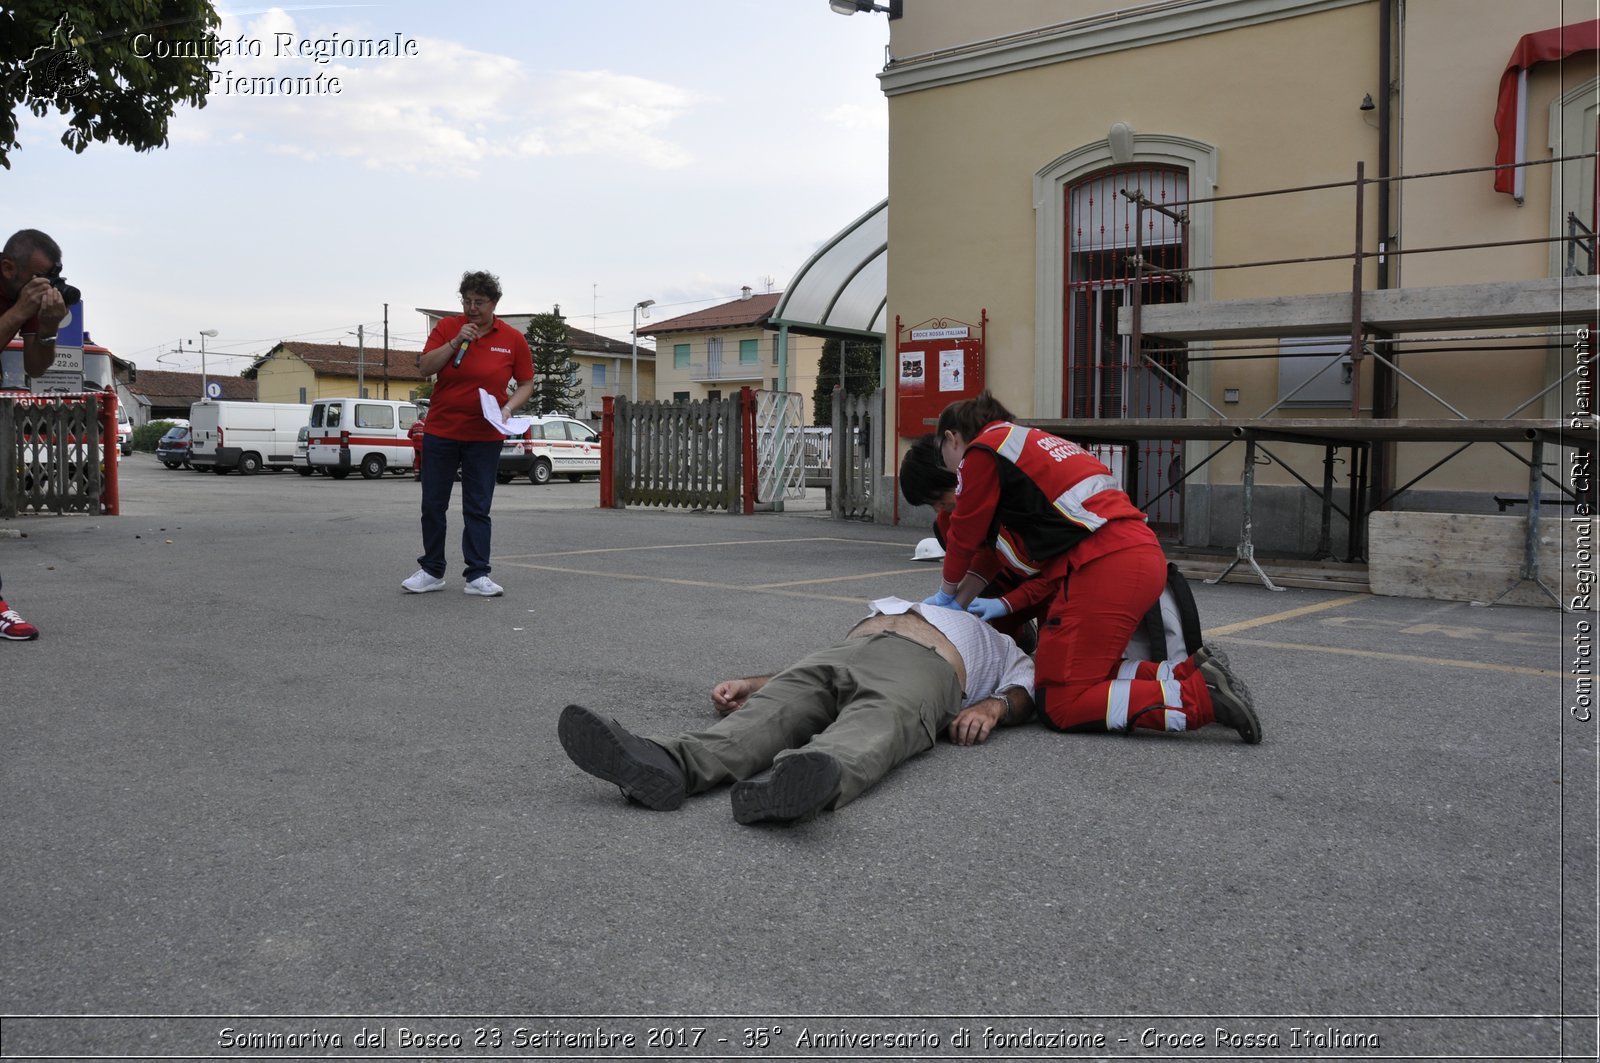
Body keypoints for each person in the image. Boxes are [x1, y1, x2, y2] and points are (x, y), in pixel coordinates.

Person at [927, 391, 1260, 743]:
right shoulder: (1034, 443)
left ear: (951, 438)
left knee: (1059, 701)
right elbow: (989, 554)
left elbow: (965, 534)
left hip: (1104, 565)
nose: (953, 470)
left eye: (945, 455)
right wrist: (962, 600)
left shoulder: (983, 450)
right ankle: (1184, 675)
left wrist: (946, 592)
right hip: (1137, 554)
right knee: (1083, 669)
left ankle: (1200, 699)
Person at [557, 596, 1035, 825]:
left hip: (922, 669)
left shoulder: (1004, 644)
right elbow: (788, 682)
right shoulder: (928, 603)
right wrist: (754, 683)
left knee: (877, 724)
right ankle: (670, 763)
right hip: (843, 652)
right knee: (768, 711)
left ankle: (789, 787)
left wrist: (994, 706)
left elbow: (1031, 687)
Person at [402, 271, 534, 597]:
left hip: (485, 434)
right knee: (433, 503)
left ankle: (478, 575)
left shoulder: (512, 339)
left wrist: (508, 409)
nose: (472, 308)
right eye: (466, 301)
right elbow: (425, 366)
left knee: (477, 506)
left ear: (494, 304)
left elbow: (527, 383)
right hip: (442, 431)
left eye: (479, 302)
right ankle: (432, 571)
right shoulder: (448, 328)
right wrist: (456, 341)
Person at [0, 229, 70, 642]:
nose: (44, 288)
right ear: (8, 267)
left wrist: (45, 328)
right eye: (37, 278)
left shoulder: (25, 295)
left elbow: (37, 366)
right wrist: (19, 308)